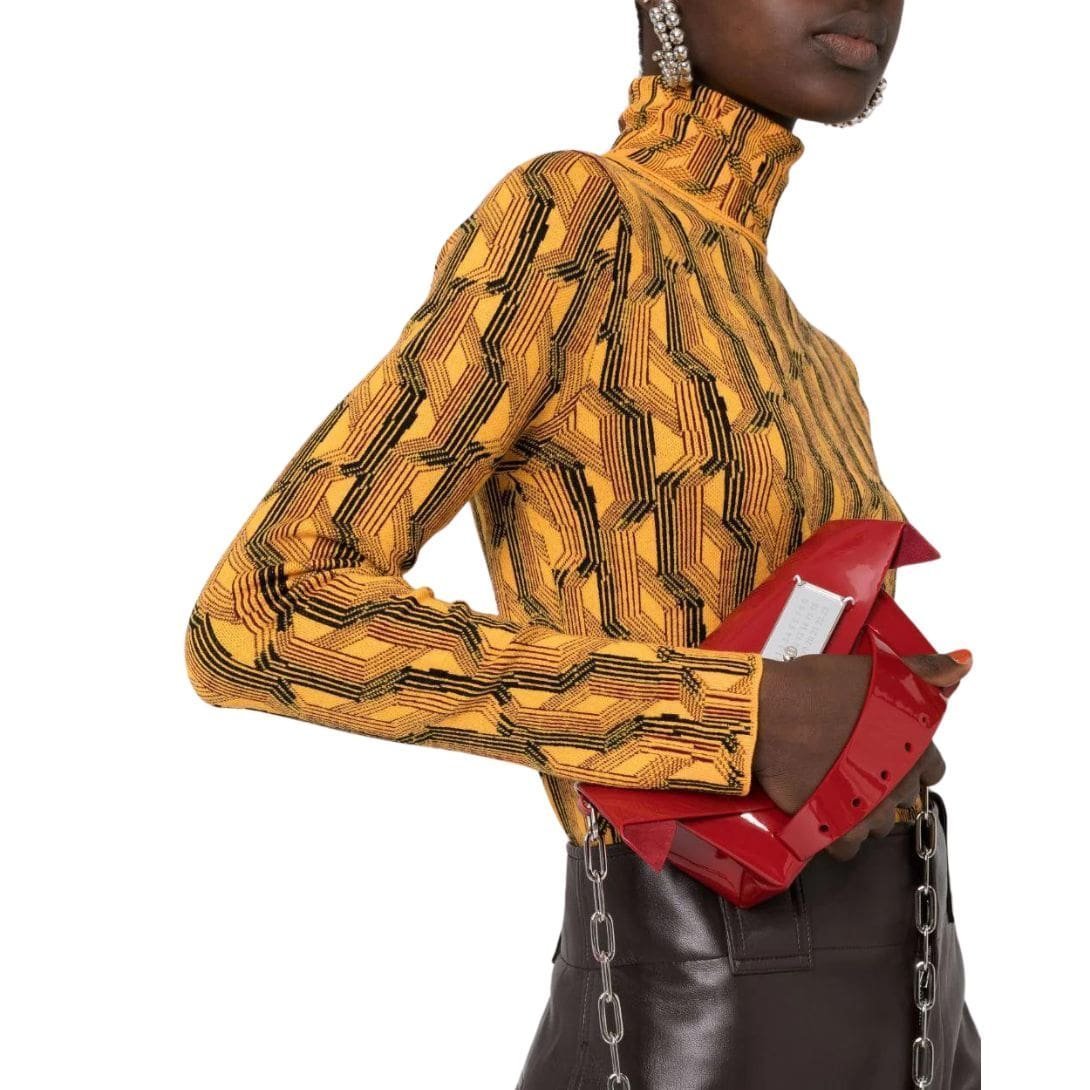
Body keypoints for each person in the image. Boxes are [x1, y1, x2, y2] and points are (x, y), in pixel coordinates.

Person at [184, 1, 982, 1086]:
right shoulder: (577, 218)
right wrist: (733, 718)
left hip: (908, 992)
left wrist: (871, 748)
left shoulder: (816, 354)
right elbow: (262, 616)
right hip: (696, 1003)